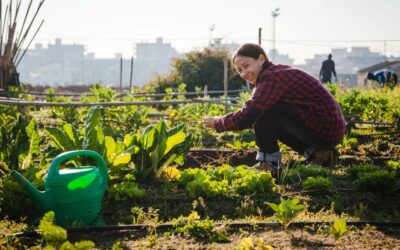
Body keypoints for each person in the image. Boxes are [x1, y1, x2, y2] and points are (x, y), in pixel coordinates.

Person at [202, 43, 346, 175]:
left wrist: (217, 122)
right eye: (239, 70)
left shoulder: (272, 77)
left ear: (261, 59)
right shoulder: (275, 73)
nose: (244, 73)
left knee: (262, 111)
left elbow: (247, 116)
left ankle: (269, 163)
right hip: (328, 130)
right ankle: (319, 153)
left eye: (246, 66)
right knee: (266, 111)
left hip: (324, 128)